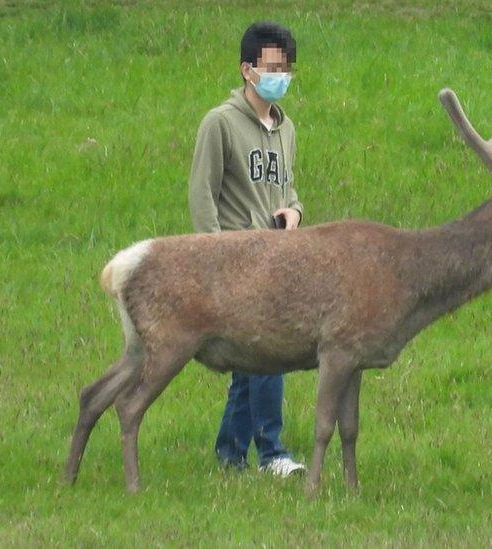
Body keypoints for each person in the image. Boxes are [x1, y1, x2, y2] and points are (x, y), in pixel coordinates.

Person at [187, 21, 305, 477]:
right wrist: (212, 261)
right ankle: (272, 453)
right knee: (269, 353)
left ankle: (230, 455)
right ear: (247, 70)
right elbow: (202, 195)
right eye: (272, 67)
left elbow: (289, 192)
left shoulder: (286, 128)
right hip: (235, 262)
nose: (281, 76)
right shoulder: (219, 123)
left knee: (249, 364)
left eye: (286, 68)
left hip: (276, 258)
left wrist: (294, 214)